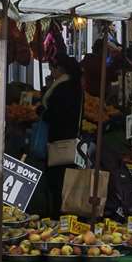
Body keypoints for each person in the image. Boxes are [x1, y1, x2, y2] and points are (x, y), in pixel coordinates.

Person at [39, 55, 85, 213]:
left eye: (53, 68)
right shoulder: (74, 85)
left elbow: (54, 114)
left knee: (58, 181)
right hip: (72, 139)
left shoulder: (62, 88)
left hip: (60, 141)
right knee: (67, 179)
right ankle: (66, 210)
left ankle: (59, 212)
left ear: (60, 69)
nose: (51, 71)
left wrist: (41, 112)